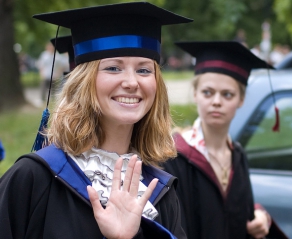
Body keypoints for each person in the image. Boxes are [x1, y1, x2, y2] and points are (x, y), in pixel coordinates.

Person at [0, 2, 192, 239]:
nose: (132, 82)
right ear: (84, 82)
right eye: (113, 68)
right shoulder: (34, 179)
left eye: (144, 70)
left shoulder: (158, 190)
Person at [163, 41, 288, 239]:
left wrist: (260, 216)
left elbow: (244, 214)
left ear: (241, 100)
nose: (216, 101)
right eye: (207, 92)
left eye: (227, 94)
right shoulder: (174, 158)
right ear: (195, 94)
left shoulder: (237, 156)